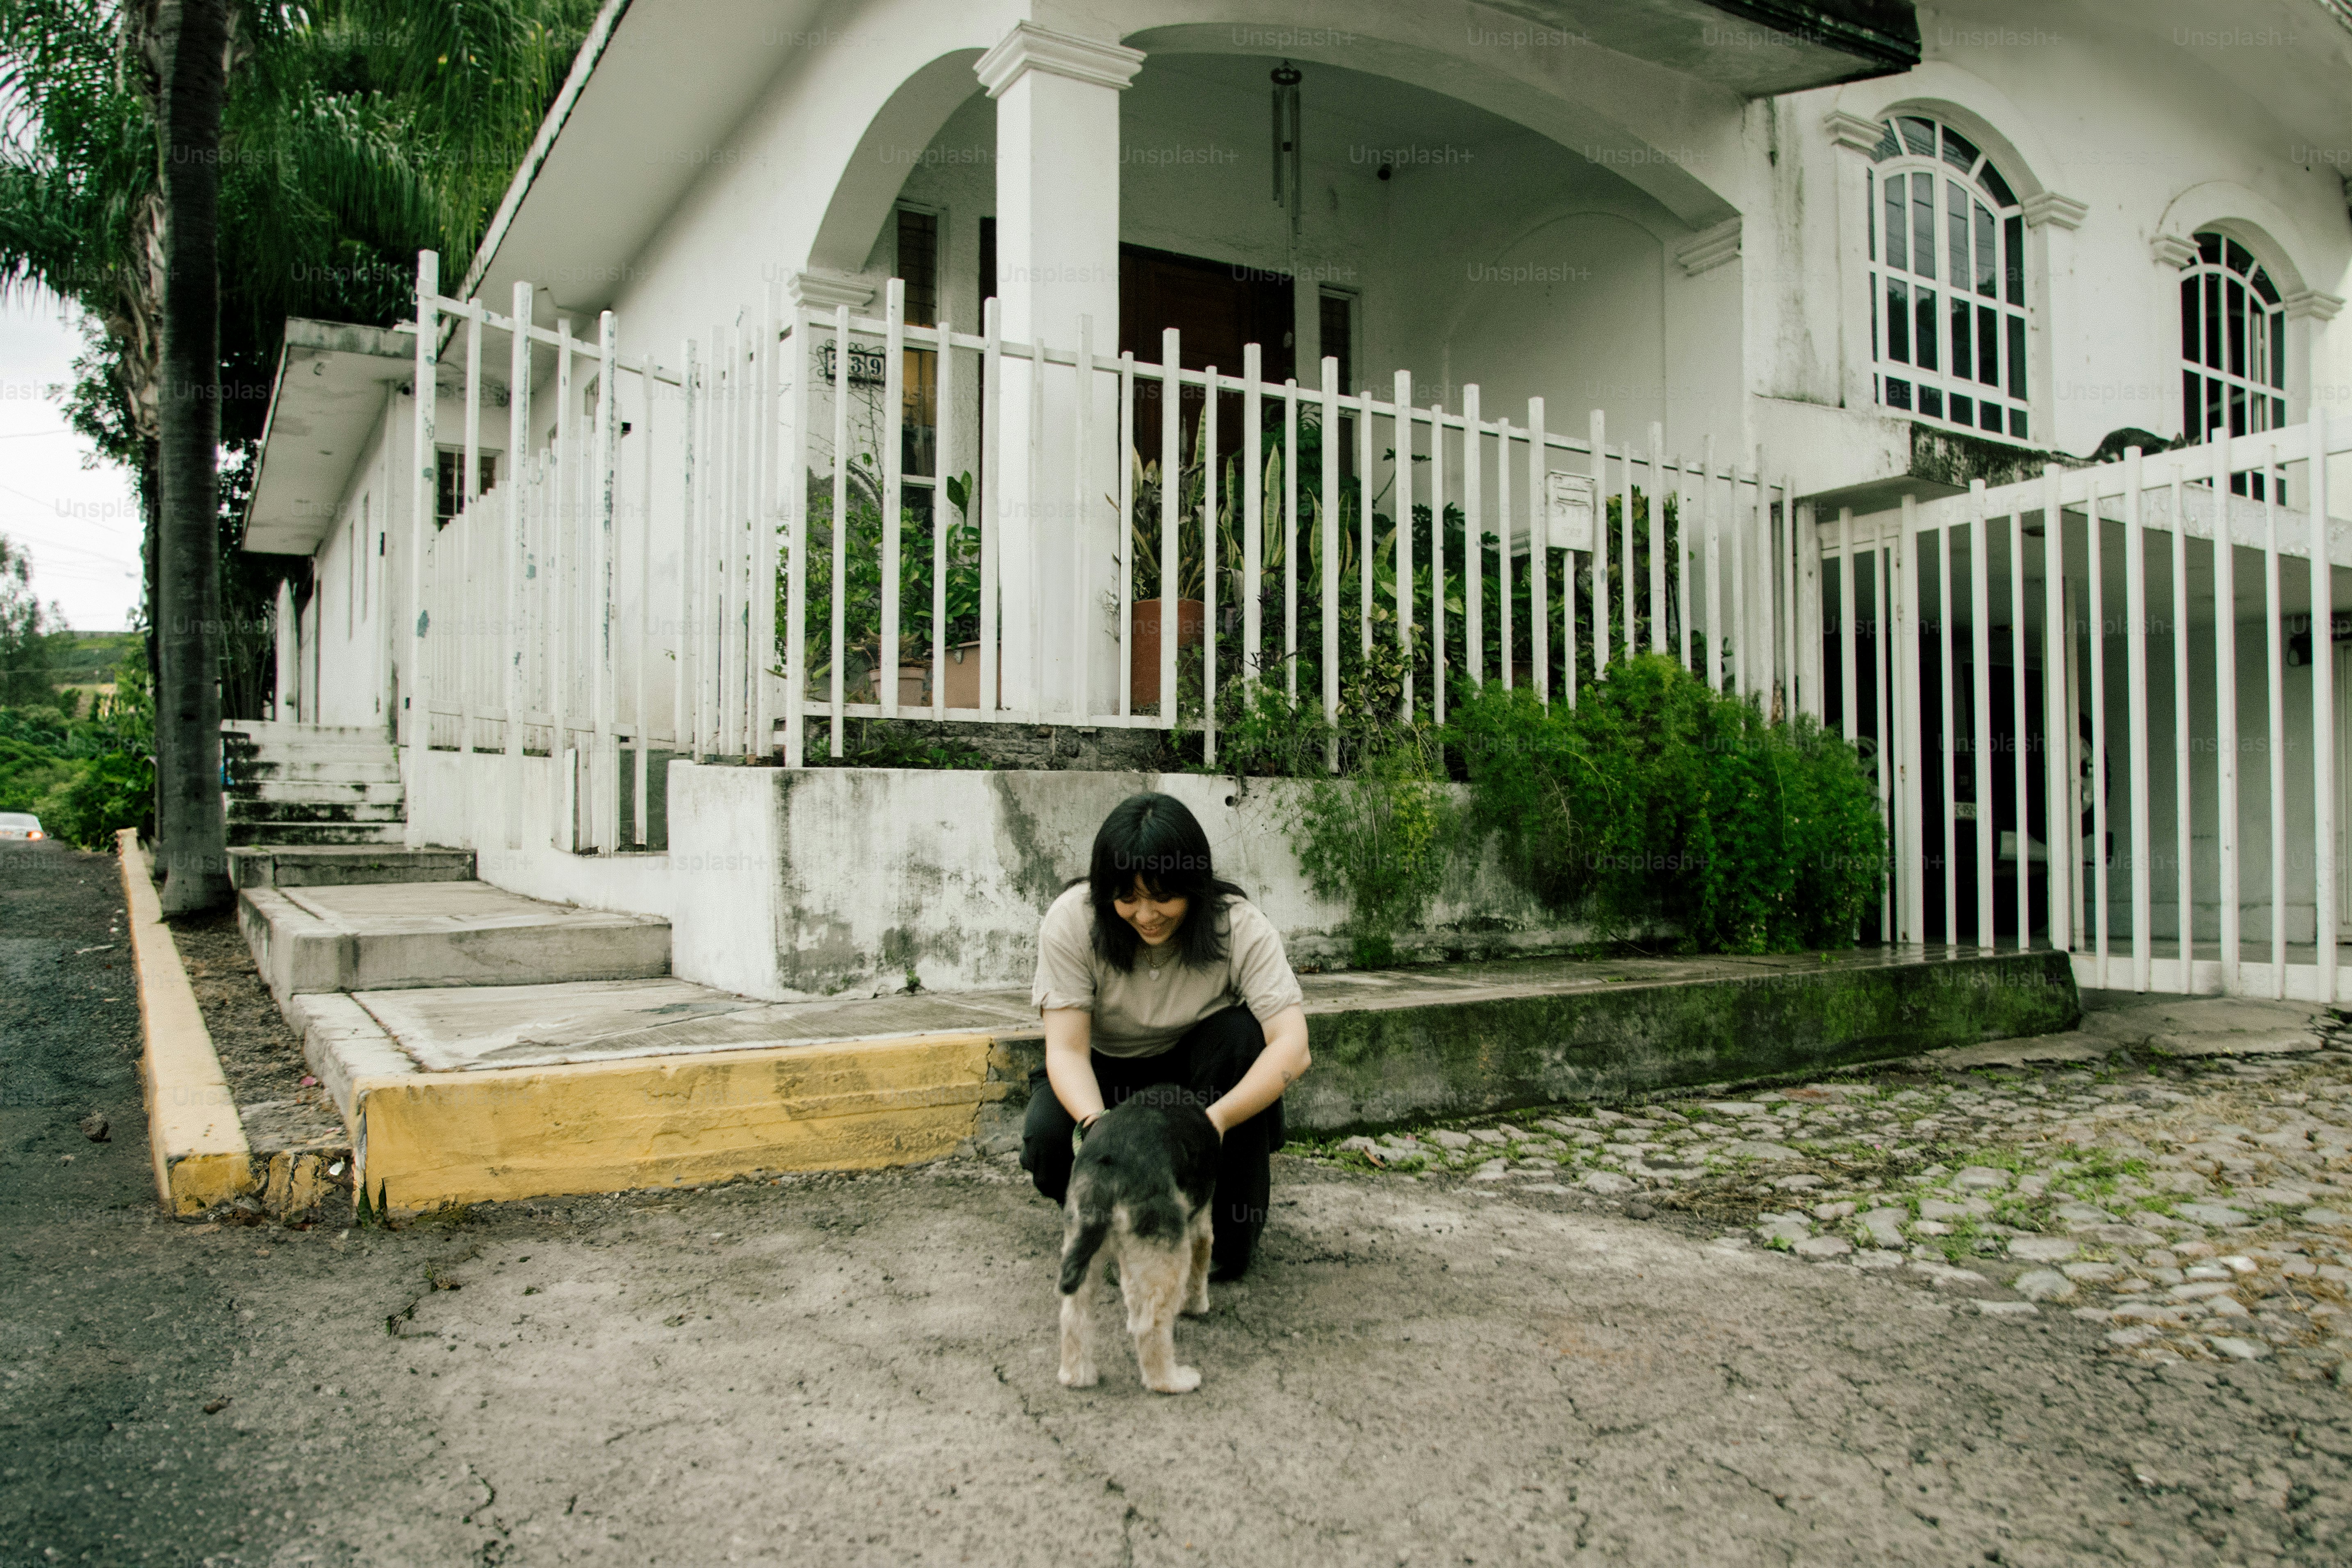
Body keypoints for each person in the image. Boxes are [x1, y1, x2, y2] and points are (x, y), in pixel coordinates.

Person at [1023, 791, 1312, 1281]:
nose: (1146, 914)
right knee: (1050, 1139)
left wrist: (1213, 1122)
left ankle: (1225, 1222)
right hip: (1106, 1071)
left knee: (1241, 1035)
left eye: (1163, 896)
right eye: (1128, 897)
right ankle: (1113, 1220)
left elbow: (1293, 1047)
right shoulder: (1072, 920)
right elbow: (1067, 1050)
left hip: (1196, 1080)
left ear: (1195, 886)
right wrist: (1101, 1130)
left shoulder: (1238, 926)